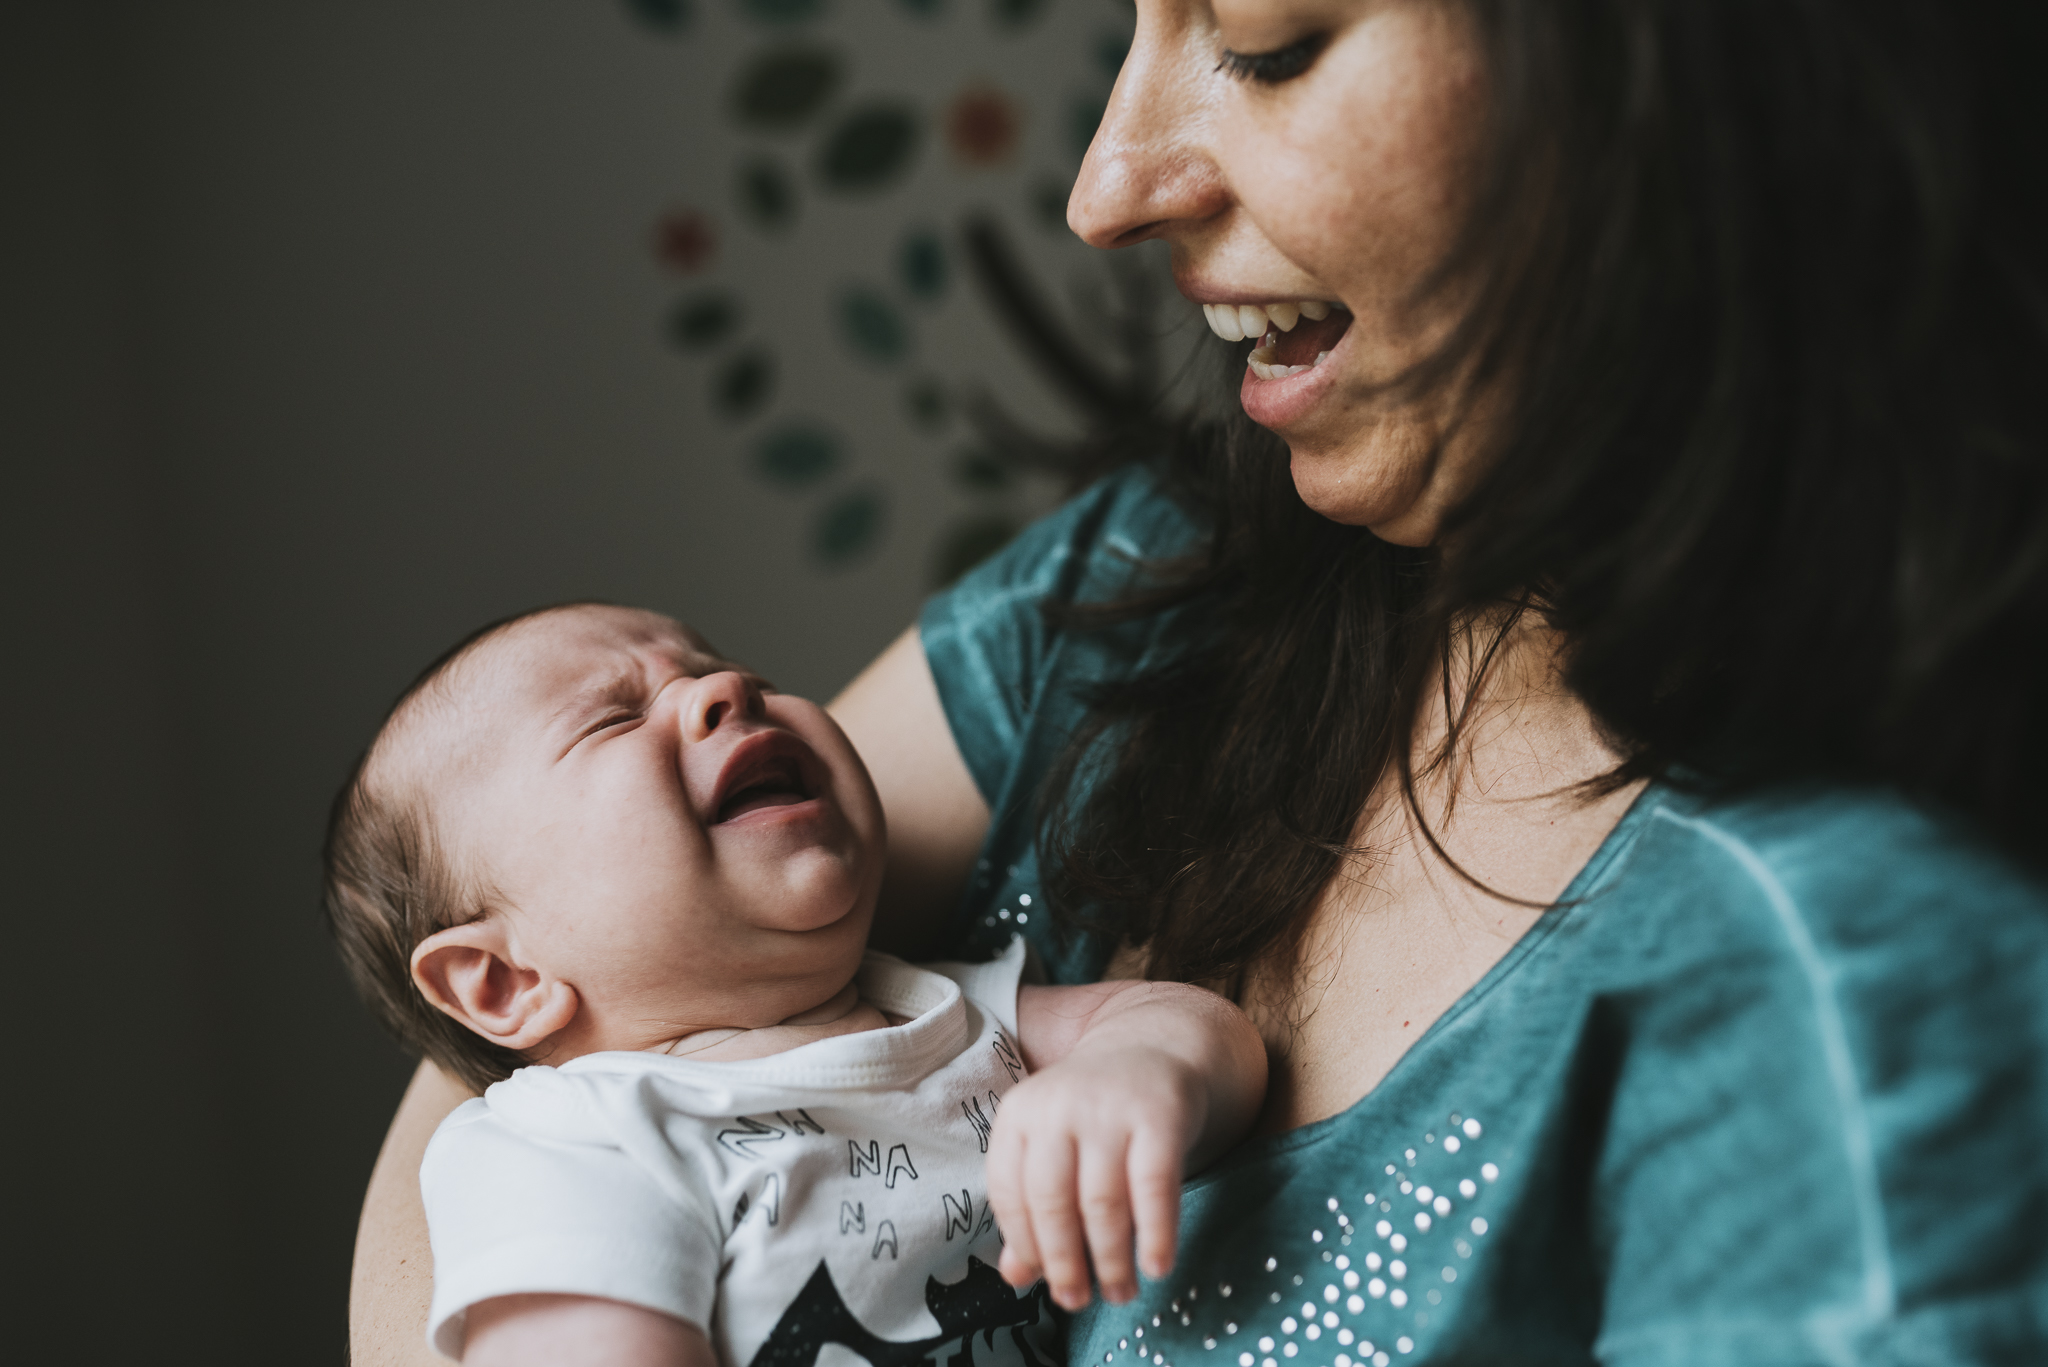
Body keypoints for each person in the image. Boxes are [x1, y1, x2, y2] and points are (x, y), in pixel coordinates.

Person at [353, 1, 2048, 1363]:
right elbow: (507, 1061)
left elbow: (1167, 1036)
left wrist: (1148, 1067)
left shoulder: (1845, 1010)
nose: (1105, 184)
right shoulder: (1133, 596)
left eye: (1263, 41)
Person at [325, 603, 1266, 1365]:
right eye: (614, 716)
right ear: (502, 981)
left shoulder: (945, 1011)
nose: (724, 689)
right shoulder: (580, 1144)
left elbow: (1190, 1021)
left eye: (734, 673)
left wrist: (1142, 1069)